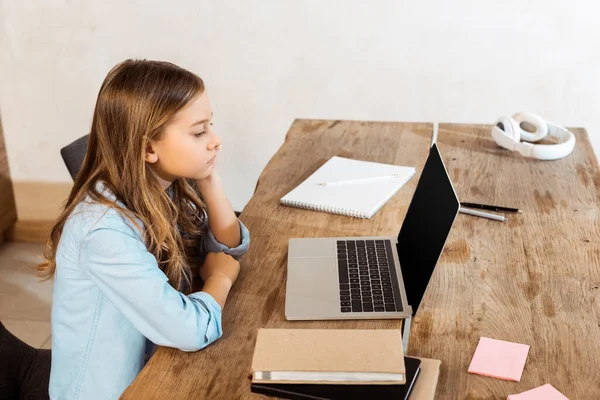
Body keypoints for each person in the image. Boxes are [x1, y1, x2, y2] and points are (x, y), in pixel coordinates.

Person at [37, 59, 250, 399]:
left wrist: (210, 184)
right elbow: (189, 330)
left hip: (156, 366)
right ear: (148, 148)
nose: (216, 141)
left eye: (210, 125)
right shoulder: (102, 232)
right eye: (199, 132)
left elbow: (227, 249)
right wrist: (220, 279)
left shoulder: (162, 185)